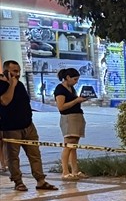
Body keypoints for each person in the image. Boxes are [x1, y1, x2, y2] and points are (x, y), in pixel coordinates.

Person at [0, 60, 57, 192]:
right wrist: (11, 85)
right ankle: (18, 182)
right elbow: (5, 101)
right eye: (14, 71)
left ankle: (40, 180)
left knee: (35, 154)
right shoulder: (3, 85)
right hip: (11, 128)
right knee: (13, 157)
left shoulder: (20, 85)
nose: (17, 74)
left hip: (28, 126)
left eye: (19, 71)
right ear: (6, 71)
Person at [54, 67, 87, 181]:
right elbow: (61, 107)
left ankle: (75, 171)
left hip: (77, 117)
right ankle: (65, 171)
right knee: (68, 145)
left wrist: (80, 100)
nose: (76, 82)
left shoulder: (71, 88)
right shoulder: (60, 89)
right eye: (75, 79)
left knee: (74, 147)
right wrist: (76, 101)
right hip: (68, 118)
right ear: (67, 77)